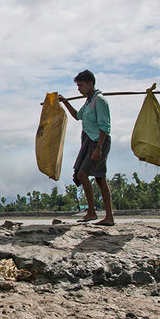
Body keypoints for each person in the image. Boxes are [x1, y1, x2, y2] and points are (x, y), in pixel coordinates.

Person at [59, 69, 114, 226]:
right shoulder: (89, 101)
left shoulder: (99, 100)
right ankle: (102, 215)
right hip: (89, 142)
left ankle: (94, 212)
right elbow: (78, 116)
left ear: (90, 84)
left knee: (83, 175)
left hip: (98, 142)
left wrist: (99, 147)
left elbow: (104, 126)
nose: (79, 89)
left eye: (81, 85)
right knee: (99, 178)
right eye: (78, 86)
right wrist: (65, 102)